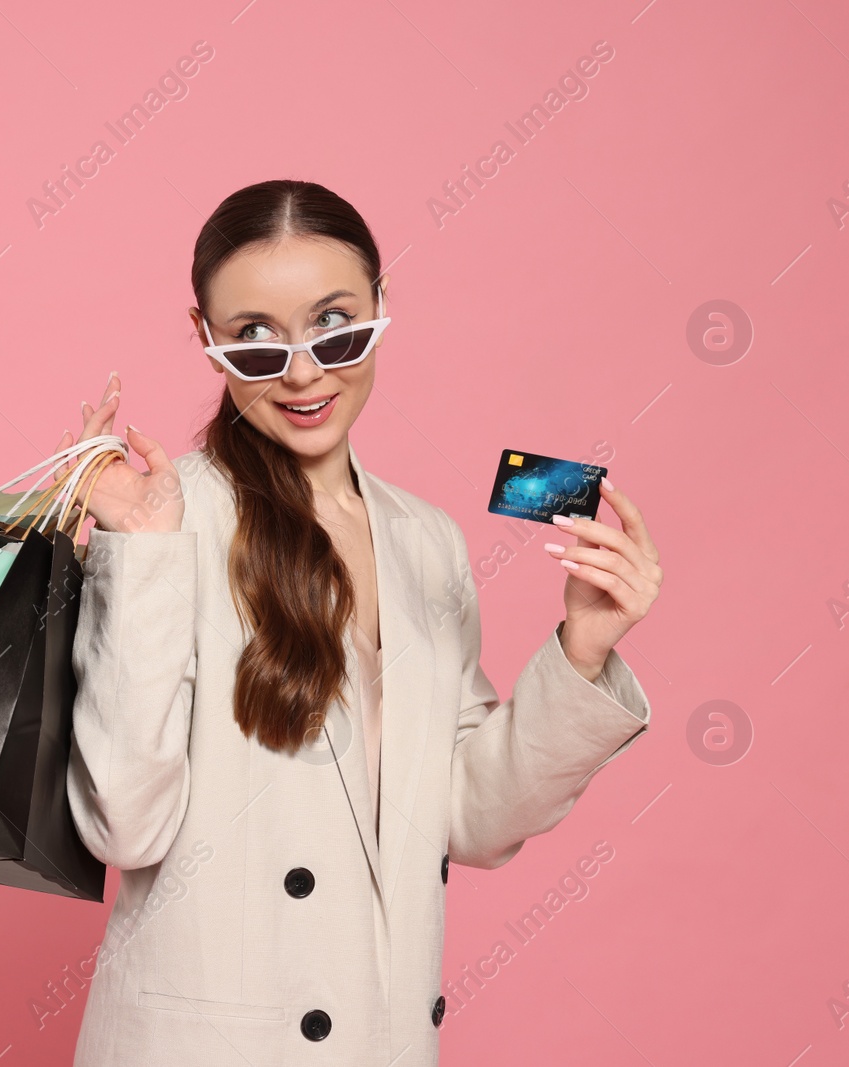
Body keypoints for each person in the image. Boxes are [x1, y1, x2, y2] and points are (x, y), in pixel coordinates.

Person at [54, 179, 662, 1066]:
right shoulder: (170, 514)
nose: (303, 372)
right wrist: (142, 550)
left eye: (335, 324)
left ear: (383, 305)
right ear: (206, 340)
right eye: (256, 340)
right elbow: (125, 826)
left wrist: (583, 649)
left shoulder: (425, 540)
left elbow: (472, 816)